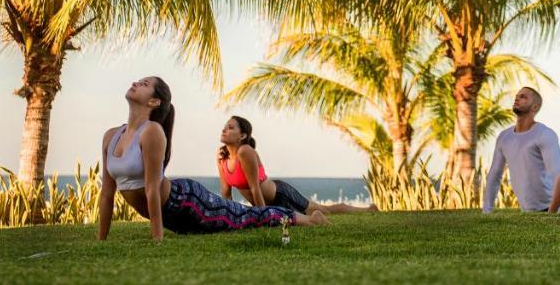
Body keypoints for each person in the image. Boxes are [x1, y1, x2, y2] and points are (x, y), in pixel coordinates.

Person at [97, 76, 327, 241]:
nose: (136, 83)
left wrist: (157, 238)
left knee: (246, 218)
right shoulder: (111, 136)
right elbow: (107, 193)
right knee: (229, 221)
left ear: (154, 102)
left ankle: (310, 220)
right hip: (176, 220)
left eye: (144, 84)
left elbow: (152, 189)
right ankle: (302, 217)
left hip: (187, 202)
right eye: (138, 81)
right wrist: (101, 240)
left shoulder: (152, 132)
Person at [217, 115, 375, 215]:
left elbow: (255, 188)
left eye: (230, 128)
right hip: (266, 202)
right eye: (225, 126)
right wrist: (229, 216)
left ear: (242, 135)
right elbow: (226, 193)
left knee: (324, 211)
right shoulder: (222, 158)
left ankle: (368, 210)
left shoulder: (245, 152)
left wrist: (263, 217)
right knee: (319, 211)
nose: (224, 129)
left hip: (280, 195)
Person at [481, 87, 560, 213]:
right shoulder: (504, 137)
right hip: (531, 210)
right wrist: (487, 210)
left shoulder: (544, 135)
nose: (517, 98)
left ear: (535, 107)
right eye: (517, 96)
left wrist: (558, 212)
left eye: (523, 97)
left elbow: (557, 174)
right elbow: (495, 175)